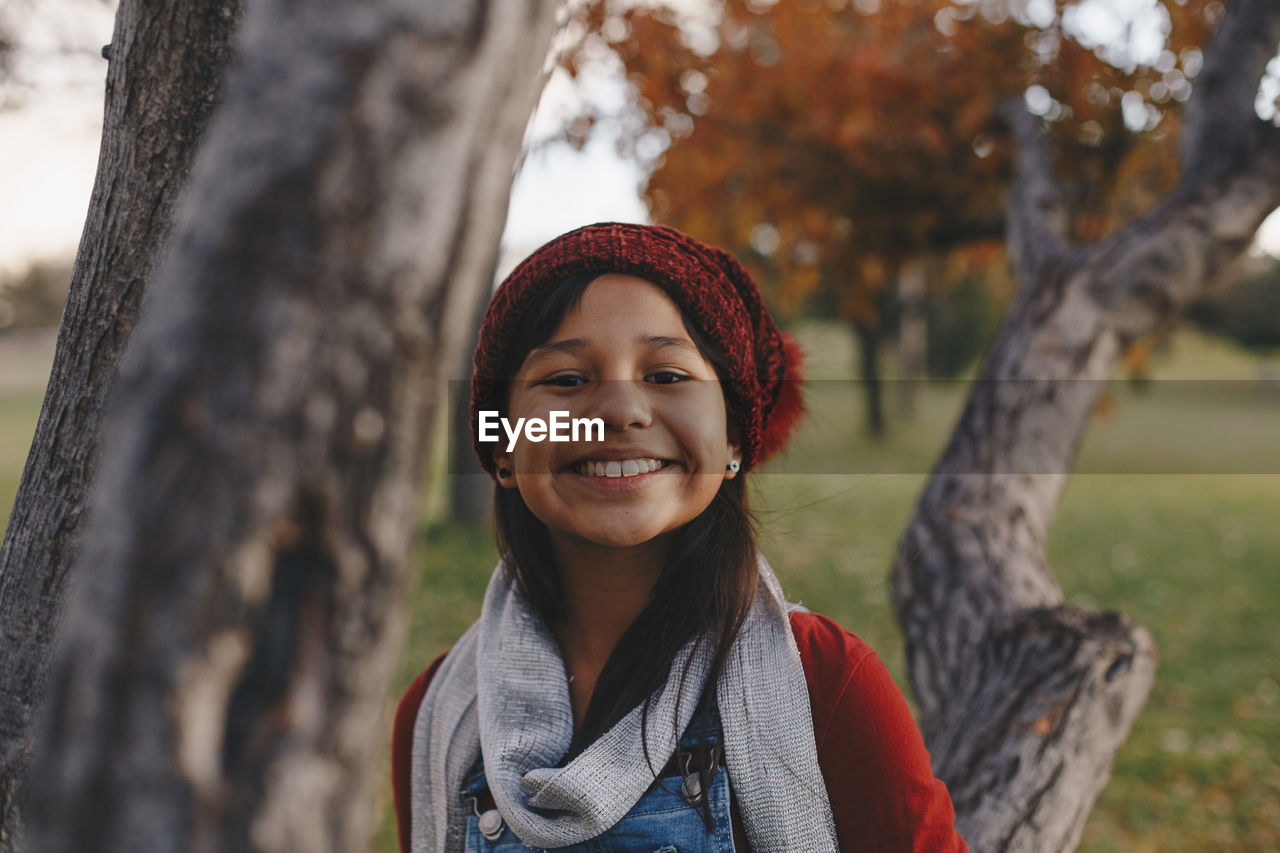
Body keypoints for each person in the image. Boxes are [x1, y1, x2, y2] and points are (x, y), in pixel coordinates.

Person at [392, 223, 966, 852]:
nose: (619, 411)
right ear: (503, 445)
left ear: (733, 440)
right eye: (566, 380)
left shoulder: (827, 685)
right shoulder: (439, 715)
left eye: (666, 376)